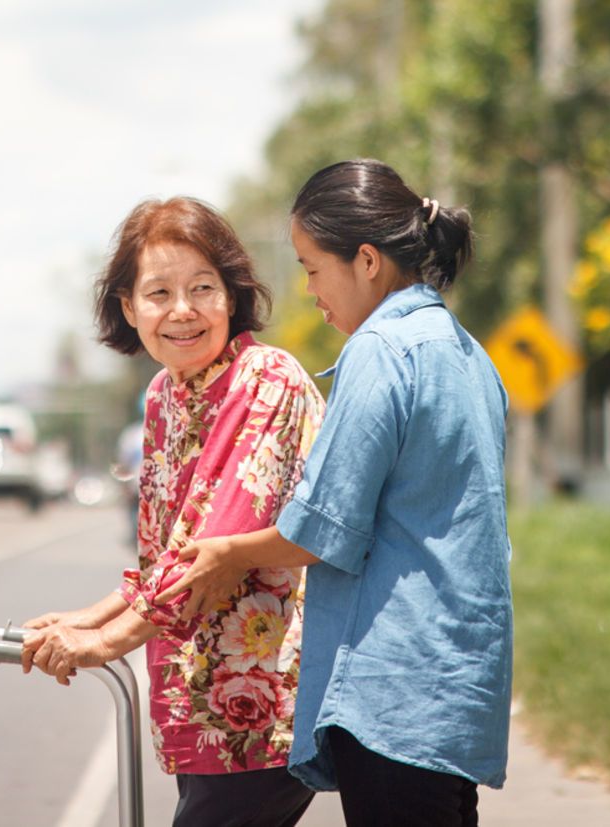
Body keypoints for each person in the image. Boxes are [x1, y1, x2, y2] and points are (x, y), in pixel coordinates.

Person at [156, 159, 513, 827]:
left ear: (368, 261)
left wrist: (226, 552)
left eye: (314, 267)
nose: (311, 289)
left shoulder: (381, 350)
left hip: (392, 689)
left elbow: (321, 527)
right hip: (456, 682)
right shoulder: (467, 351)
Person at [20, 196, 326, 826]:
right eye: (158, 293)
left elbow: (210, 551)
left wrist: (105, 642)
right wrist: (87, 616)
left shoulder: (265, 380)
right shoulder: (164, 393)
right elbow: (165, 553)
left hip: (267, 698)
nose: (182, 311)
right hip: (194, 691)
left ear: (232, 297)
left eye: (202, 288)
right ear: (129, 309)